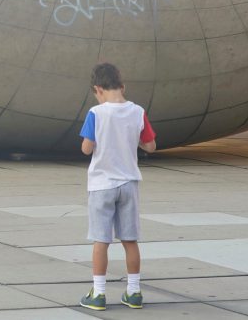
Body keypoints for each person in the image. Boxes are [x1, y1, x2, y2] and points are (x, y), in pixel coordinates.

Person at [78, 63, 156, 311]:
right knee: (130, 239)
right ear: (123, 86)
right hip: (129, 183)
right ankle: (134, 292)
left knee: (101, 240)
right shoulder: (138, 111)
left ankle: (98, 294)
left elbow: (86, 148)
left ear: (98, 89)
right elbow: (151, 146)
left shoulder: (96, 113)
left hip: (102, 183)